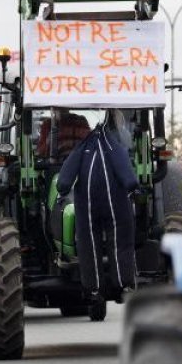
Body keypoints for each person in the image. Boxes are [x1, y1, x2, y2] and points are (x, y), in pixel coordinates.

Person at [57, 124, 138, 301]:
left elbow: (65, 178)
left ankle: (94, 289)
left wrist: (62, 191)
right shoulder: (114, 146)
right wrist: (133, 187)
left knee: (87, 245)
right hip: (116, 202)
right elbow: (126, 172)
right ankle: (124, 284)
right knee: (120, 242)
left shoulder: (82, 147)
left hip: (87, 204)